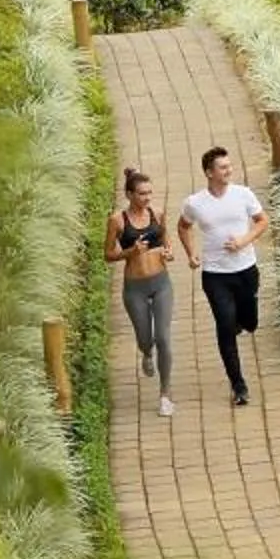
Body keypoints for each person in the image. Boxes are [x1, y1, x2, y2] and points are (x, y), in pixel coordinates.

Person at [178, 145, 268, 408]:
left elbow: (262, 221)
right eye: (223, 167)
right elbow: (183, 227)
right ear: (209, 172)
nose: (229, 170)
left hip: (246, 269)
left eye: (229, 166)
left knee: (250, 321)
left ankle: (243, 320)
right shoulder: (195, 203)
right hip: (215, 274)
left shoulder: (243, 194)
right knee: (225, 327)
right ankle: (238, 385)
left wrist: (243, 240)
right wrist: (191, 254)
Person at [105, 167, 175, 418]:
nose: (147, 198)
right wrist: (129, 252)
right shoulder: (117, 220)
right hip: (135, 287)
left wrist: (168, 252)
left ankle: (165, 394)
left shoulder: (157, 213)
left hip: (161, 283)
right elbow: (108, 255)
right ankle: (146, 352)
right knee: (146, 338)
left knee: (164, 338)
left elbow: (166, 240)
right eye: (142, 194)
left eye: (150, 193)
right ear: (129, 194)